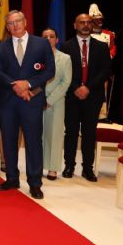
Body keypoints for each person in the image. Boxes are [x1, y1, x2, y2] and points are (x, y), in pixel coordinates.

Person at [0, 10, 55, 199]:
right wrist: (15, 85)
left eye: (18, 21)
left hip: (31, 100)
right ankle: (11, 178)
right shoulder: (0, 47)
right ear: (7, 27)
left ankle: (35, 183)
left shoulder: (41, 43)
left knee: (34, 141)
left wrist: (28, 84)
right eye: (10, 23)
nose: (15, 25)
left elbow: (50, 70)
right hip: (8, 101)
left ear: (25, 21)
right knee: (9, 141)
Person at [60, 13, 111, 181]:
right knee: (71, 132)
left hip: (93, 96)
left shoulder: (102, 47)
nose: (85, 25)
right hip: (72, 96)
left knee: (90, 133)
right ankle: (69, 165)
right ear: (75, 25)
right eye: (82, 22)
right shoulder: (66, 47)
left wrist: (87, 87)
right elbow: (64, 72)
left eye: (89, 22)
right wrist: (76, 88)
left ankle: (87, 168)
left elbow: (105, 71)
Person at [41, 27, 72, 180]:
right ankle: (38, 164)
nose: (48, 39)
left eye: (51, 36)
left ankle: (53, 168)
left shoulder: (65, 58)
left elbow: (66, 82)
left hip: (56, 101)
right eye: (45, 37)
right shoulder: (35, 57)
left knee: (54, 134)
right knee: (38, 134)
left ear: (57, 39)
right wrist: (39, 97)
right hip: (36, 100)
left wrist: (49, 100)